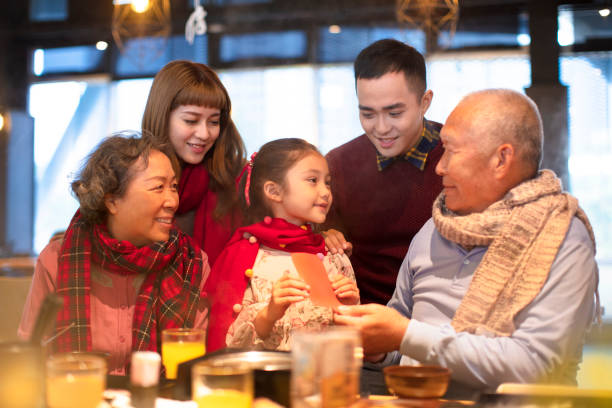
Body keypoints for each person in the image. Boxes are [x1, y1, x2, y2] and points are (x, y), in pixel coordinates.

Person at [334, 89, 599, 392]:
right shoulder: (433, 230)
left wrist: (406, 335)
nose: (440, 166)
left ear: (501, 159)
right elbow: (401, 347)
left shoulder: (560, 236)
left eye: (450, 150)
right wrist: (379, 345)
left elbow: (536, 367)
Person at [19, 134, 210, 375]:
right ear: (112, 201)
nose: (172, 200)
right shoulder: (56, 260)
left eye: (173, 187)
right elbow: (30, 357)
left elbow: (198, 368)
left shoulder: (190, 263)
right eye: (158, 187)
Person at [205, 138, 360, 352]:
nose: (325, 191)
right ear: (274, 191)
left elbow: (352, 343)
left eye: (328, 182)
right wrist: (269, 313)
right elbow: (227, 343)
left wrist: (350, 306)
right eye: (313, 180)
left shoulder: (333, 255)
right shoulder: (247, 256)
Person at [323, 39, 443, 305]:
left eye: (394, 113)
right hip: (365, 318)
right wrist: (324, 236)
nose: (381, 128)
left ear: (425, 102)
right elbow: (316, 238)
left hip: (442, 320)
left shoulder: (457, 156)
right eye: (368, 114)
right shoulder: (338, 165)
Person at [142, 60, 246, 266]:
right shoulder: (131, 176)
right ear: (162, 117)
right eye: (191, 121)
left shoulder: (238, 178)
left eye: (214, 122)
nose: (204, 134)